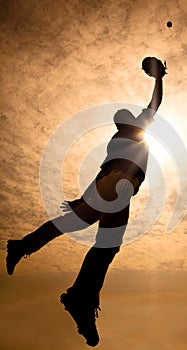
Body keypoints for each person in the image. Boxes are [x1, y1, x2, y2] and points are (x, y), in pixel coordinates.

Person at [6, 57, 166, 347]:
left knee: (67, 224)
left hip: (105, 186)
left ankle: (21, 246)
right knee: (107, 246)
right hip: (119, 185)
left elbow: (105, 171)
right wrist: (159, 77)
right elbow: (154, 104)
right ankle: (80, 297)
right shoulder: (135, 130)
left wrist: (83, 199)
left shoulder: (118, 138)